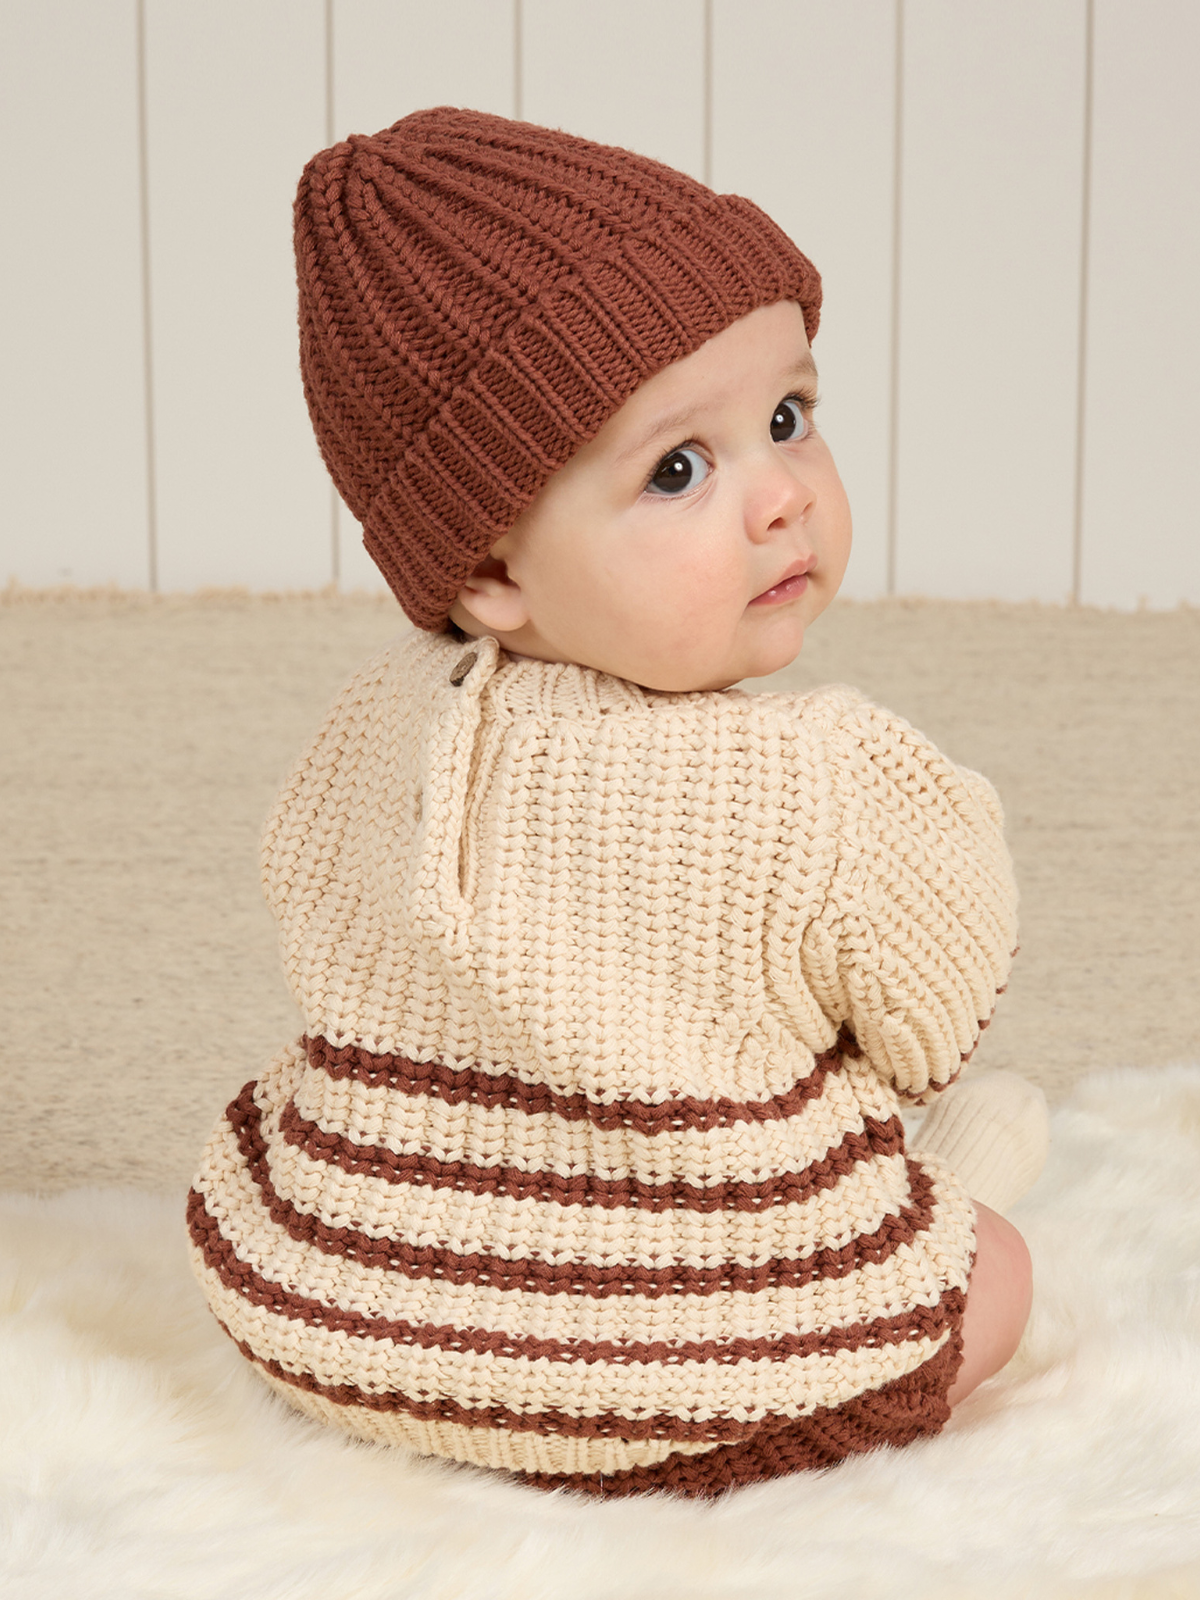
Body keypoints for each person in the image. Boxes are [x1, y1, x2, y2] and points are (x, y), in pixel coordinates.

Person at [188, 107, 1049, 1498]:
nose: (780, 500)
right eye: (679, 470)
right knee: (991, 1274)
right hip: (688, 1340)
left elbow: (326, 934)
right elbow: (931, 1017)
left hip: (349, 1314)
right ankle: (739, 1368)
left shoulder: (363, 732)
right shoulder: (818, 777)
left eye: (788, 419)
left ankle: (459, 1359)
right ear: (491, 572)